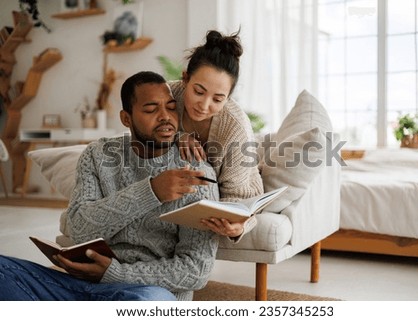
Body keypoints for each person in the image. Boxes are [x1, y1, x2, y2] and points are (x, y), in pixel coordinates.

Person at [0, 71, 219, 301]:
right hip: (78, 284)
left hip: (144, 293)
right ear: (126, 118)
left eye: (171, 107)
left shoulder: (196, 172)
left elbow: (196, 271)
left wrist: (113, 274)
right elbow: (78, 228)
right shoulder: (97, 154)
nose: (165, 117)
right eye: (151, 109)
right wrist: (151, 191)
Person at [169, 30, 264, 239]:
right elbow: (139, 132)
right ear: (185, 79)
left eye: (218, 99)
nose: (204, 105)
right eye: (198, 92)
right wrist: (176, 137)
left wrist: (239, 227)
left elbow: (239, 199)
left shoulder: (235, 127)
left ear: (228, 98)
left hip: (237, 182)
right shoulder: (167, 96)